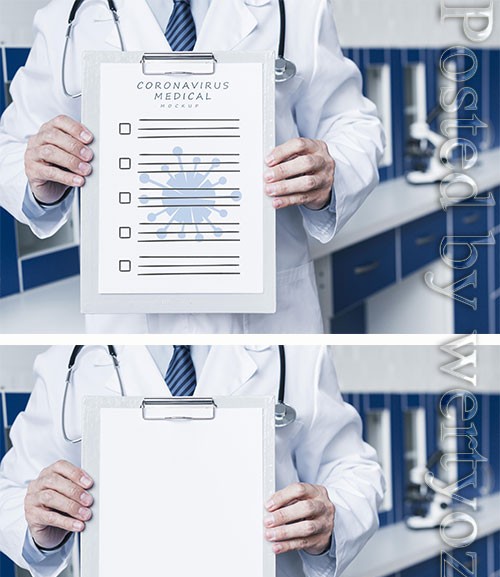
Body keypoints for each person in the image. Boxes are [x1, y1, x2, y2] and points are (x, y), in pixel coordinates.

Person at [0, 344, 384, 577]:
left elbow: (354, 470)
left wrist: (329, 514)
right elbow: (12, 491)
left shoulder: (292, 352)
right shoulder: (69, 362)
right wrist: (39, 524)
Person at [0, 0, 384, 333]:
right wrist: (40, 177)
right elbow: (13, 146)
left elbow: (354, 125)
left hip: (270, 315)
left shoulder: (295, 8)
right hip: (128, 318)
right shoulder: (69, 17)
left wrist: (329, 168)